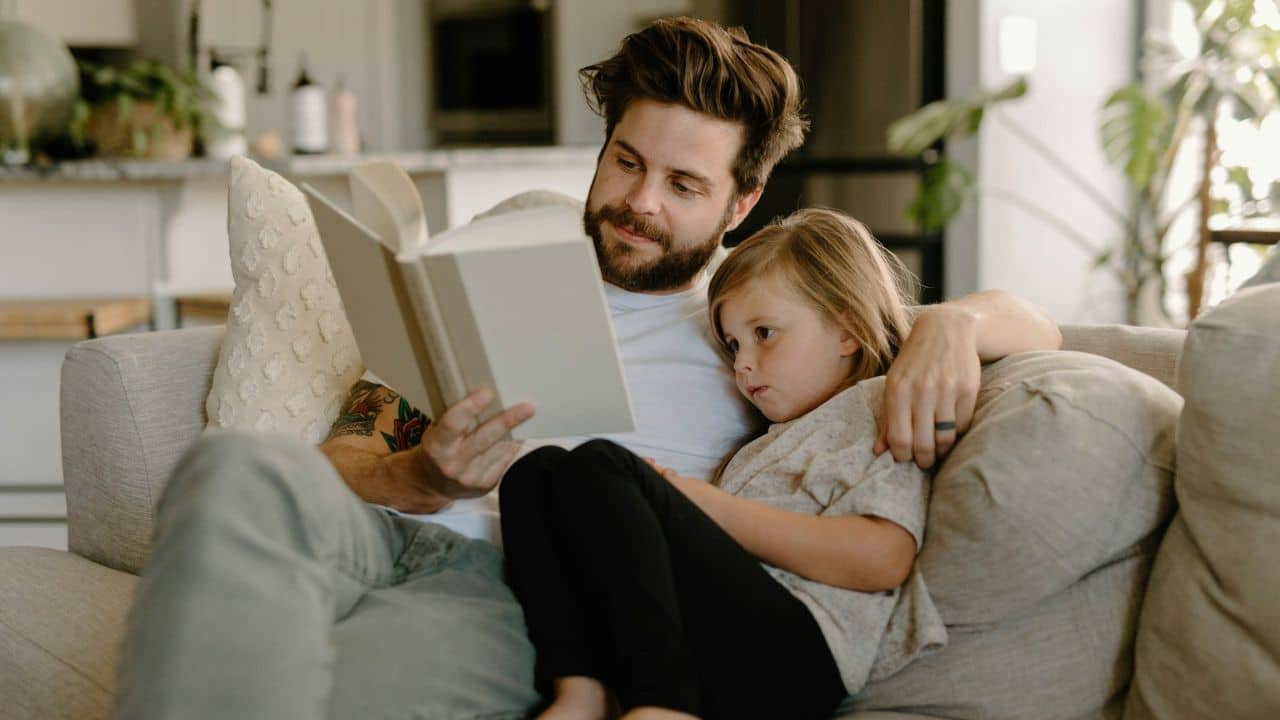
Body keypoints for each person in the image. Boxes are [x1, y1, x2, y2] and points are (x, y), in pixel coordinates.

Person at [114, 17, 1061, 720]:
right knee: (232, 466)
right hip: (370, 531)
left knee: (351, 689)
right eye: (626, 162)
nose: (639, 204)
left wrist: (949, 323)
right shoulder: (500, 257)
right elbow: (341, 458)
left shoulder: (754, 326)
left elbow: (1034, 330)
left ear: (743, 201)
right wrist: (418, 471)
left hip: (513, 582)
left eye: (685, 185)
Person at [499, 208, 944, 720]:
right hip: (721, 639)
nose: (743, 364)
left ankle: (663, 706)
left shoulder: (880, 405)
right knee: (536, 472)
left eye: (765, 333)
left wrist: (703, 503)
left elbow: (881, 560)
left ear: (846, 331)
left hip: (801, 651)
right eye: (734, 344)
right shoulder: (760, 444)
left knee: (603, 464)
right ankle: (581, 692)